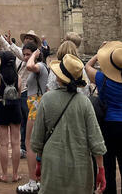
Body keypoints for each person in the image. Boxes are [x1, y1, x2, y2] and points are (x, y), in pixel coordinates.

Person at [31, 54, 107, 194]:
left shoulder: (47, 99)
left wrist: (39, 160)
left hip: (52, 164)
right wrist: (101, 169)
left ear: (59, 77)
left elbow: (37, 138)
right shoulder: (85, 102)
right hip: (80, 165)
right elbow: (96, 140)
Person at [85, 41, 122, 194]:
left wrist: (99, 53)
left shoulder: (103, 79)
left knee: (107, 166)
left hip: (107, 124)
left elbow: (87, 67)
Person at [0, 26, 33, 160]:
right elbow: (10, 50)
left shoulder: (31, 57)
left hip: (27, 91)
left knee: (27, 120)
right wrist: (0, 35)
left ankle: (27, 146)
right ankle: (23, 147)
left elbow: (14, 50)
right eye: (26, 38)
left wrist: (8, 43)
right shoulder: (20, 54)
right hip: (18, 91)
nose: (27, 40)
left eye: (30, 39)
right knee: (20, 120)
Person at [16, 41, 49, 194]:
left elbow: (30, 66)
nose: (25, 57)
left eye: (28, 54)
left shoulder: (39, 66)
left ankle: (32, 181)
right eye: (24, 54)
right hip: (34, 105)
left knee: (30, 144)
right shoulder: (39, 67)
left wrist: (34, 56)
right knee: (37, 145)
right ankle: (39, 179)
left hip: (36, 106)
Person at [0, 51, 23, 183]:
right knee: (16, 143)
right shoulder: (18, 77)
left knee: (3, 143)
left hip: (1, 108)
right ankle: (15, 174)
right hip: (15, 108)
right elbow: (19, 94)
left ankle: (4, 175)